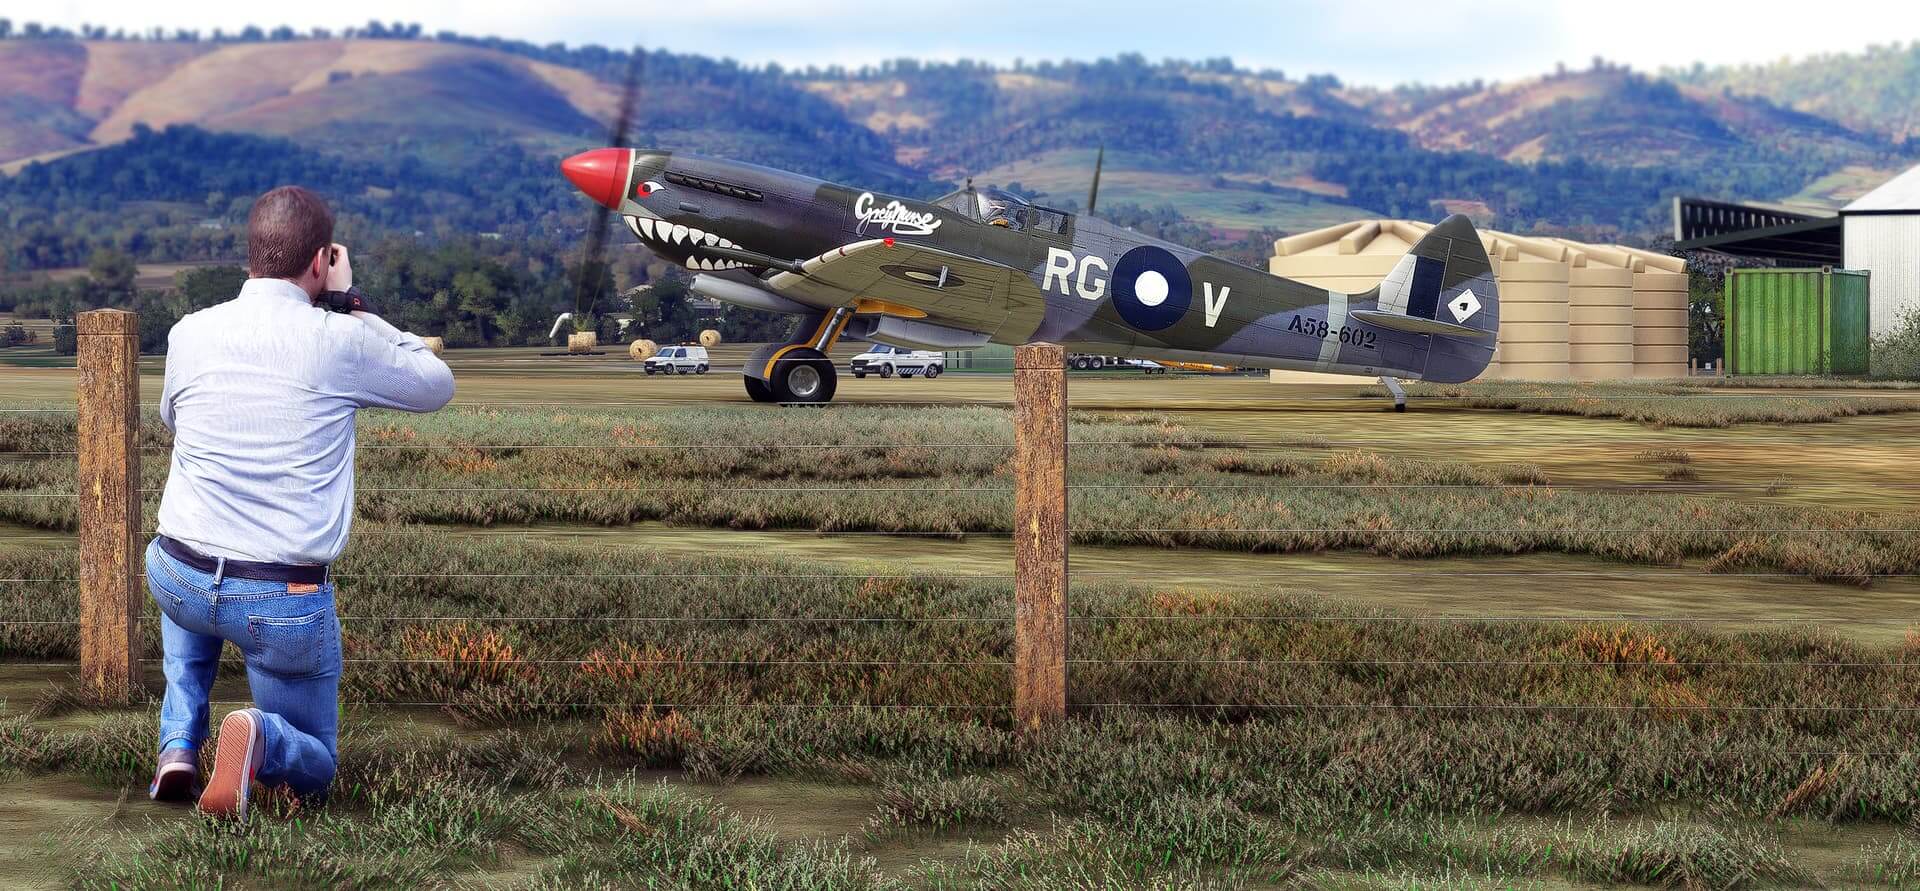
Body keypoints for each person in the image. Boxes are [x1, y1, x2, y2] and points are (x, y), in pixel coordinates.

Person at [145, 186, 454, 820]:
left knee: (190, 569)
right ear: (321, 260)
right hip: (279, 599)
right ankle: (262, 738)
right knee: (316, 763)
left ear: (250, 255)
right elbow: (434, 384)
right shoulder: (337, 339)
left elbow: (172, 418)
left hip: (176, 572)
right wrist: (350, 302)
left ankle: (178, 745)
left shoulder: (190, 332)